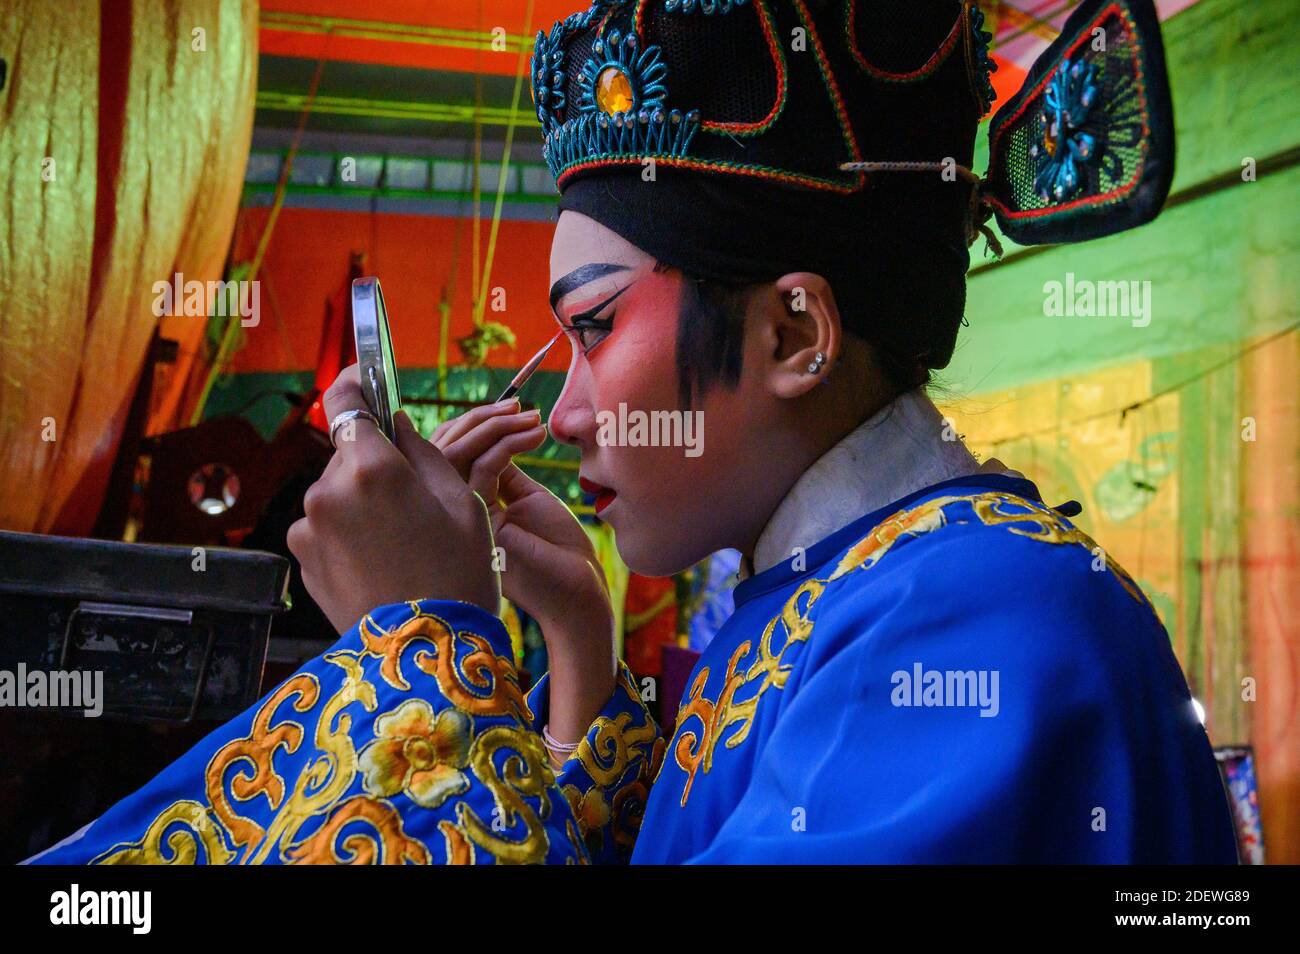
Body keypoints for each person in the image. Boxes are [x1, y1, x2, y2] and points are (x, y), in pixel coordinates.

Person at [31, 0, 1237, 864]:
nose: (560, 414)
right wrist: (579, 652)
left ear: (794, 334)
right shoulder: (862, 585)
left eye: (595, 326)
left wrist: (421, 651)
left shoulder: (986, 622)